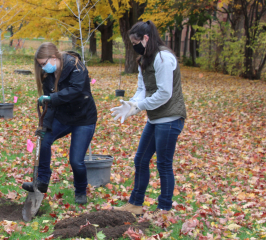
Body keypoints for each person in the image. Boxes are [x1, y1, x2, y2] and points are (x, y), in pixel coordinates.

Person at [111, 20, 186, 217]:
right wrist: (131, 106)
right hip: (155, 119)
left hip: (170, 118)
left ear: (146, 38)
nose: (134, 46)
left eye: (136, 42)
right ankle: (135, 204)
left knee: (163, 163)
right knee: (141, 160)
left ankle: (164, 209)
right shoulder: (144, 59)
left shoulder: (163, 58)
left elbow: (164, 94)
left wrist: (139, 106)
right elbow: (142, 90)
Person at [22, 42, 97, 205]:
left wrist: (52, 98)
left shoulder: (75, 66)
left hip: (84, 118)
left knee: (76, 161)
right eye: (40, 65)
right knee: (44, 141)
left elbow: (76, 91)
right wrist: (45, 127)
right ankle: (41, 182)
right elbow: (51, 105)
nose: (43, 68)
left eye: (44, 64)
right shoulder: (48, 77)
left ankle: (80, 191)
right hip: (63, 117)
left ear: (54, 57)